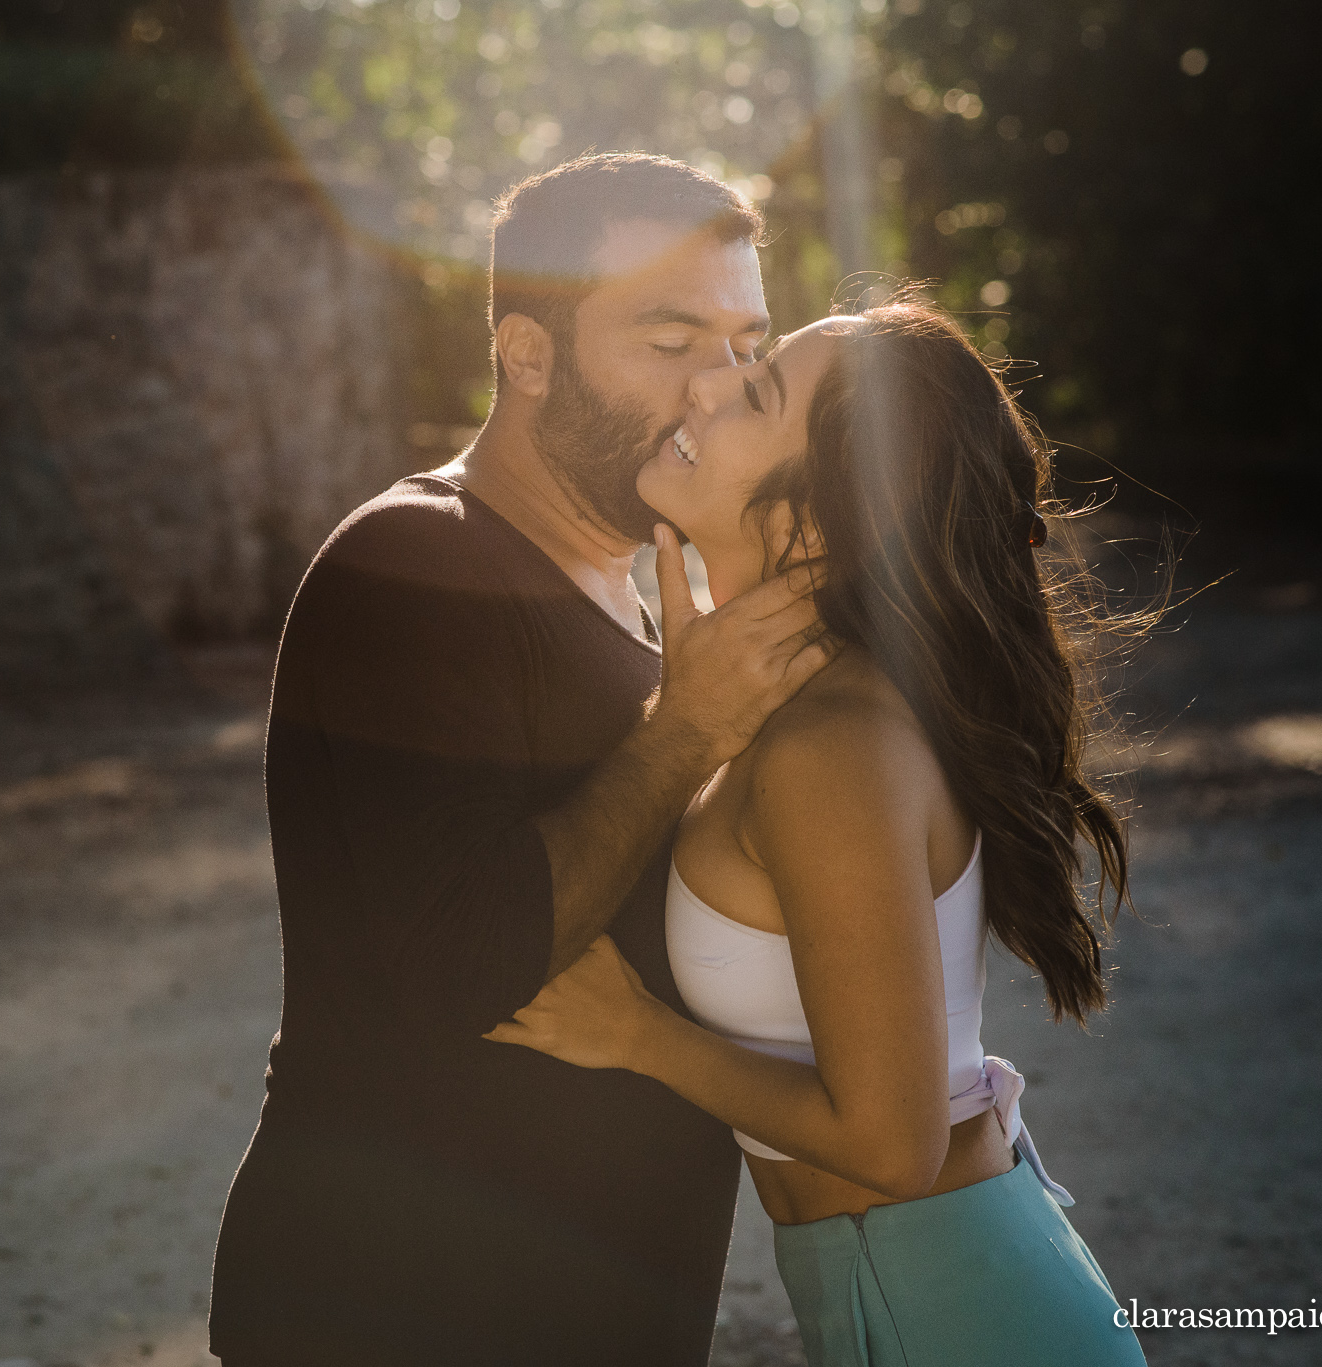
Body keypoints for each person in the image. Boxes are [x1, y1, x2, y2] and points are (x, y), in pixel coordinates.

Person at [207, 154, 834, 1366]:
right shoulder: (416, 563)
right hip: (397, 1309)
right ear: (526, 353)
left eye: (744, 341)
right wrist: (688, 731)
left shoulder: (646, 587)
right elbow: (464, 960)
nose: (718, 385)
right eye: (668, 340)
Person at [487, 298, 1150, 1365]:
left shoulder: (829, 748)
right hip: (914, 1283)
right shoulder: (796, 710)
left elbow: (891, 1143)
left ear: (812, 524)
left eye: (751, 392)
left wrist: (636, 1036)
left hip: (953, 1307)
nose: (703, 385)